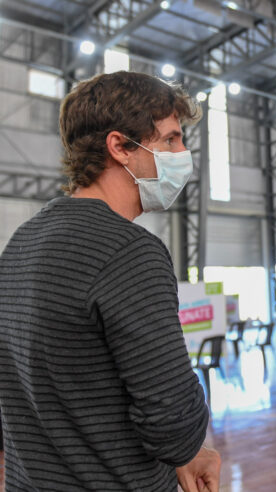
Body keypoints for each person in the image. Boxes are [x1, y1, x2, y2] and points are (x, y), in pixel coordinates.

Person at [0, 72, 219, 491]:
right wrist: (191, 446)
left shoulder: (21, 243)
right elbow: (172, 420)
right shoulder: (129, 253)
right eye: (171, 140)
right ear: (119, 146)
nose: (183, 153)